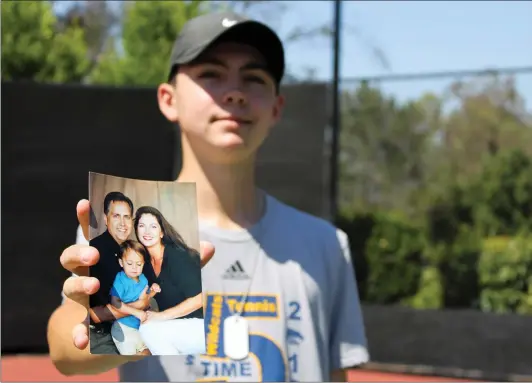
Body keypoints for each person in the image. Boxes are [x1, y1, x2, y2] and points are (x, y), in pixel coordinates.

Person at [48, 10, 369, 382]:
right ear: (169, 99)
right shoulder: (124, 234)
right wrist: (94, 324)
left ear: (277, 107)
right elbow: (66, 351)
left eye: (254, 78)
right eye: (210, 75)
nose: (234, 92)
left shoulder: (327, 244)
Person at [134, 206, 206, 356]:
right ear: (136, 230)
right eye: (142, 226)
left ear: (161, 233)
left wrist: (161, 316)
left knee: (147, 329)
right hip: (176, 326)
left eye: (153, 226)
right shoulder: (145, 264)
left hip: (201, 326)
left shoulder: (177, 256)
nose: (147, 231)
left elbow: (201, 298)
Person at [87, 191, 151, 355]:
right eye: (116, 216)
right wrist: (140, 305)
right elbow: (96, 315)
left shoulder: (136, 250)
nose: (123, 223)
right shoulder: (94, 252)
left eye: (127, 217)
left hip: (136, 325)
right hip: (103, 335)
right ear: (105, 219)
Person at [109, 240, 160, 356]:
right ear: (121, 263)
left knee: (148, 351)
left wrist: (153, 290)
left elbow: (145, 298)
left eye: (139, 264)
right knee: (132, 358)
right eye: (130, 263)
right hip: (123, 327)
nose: (134, 268)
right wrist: (136, 312)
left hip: (139, 326)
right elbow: (114, 303)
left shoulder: (143, 278)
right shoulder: (120, 280)